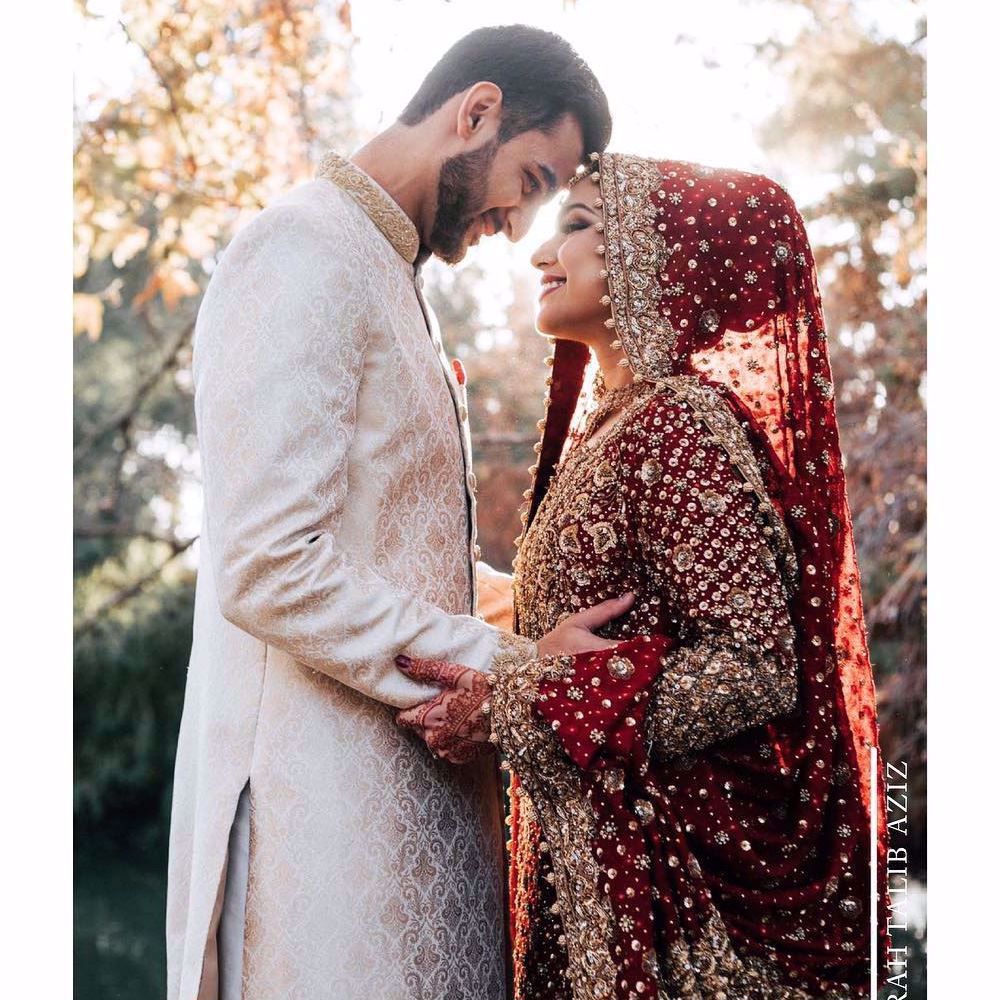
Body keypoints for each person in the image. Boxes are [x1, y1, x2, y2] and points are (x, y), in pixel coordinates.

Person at [166, 26, 618, 1000]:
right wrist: (513, 667)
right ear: (478, 111)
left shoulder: (386, 268)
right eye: (533, 180)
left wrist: (542, 623)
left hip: (410, 804)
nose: (523, 223)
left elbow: (400, 550)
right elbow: (267, 562)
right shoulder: (301, 246)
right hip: (319, 829)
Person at [396, 153, 892, 998]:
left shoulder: (680, 430)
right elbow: (592, 619)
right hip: (600, 876)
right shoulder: (619, 427)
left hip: (690, 917)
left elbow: (754, 668)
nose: (540, 252)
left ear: (664, 258)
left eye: (581, 225)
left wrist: (521, 705)